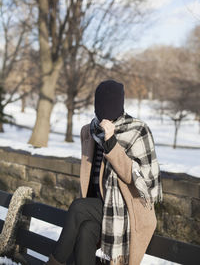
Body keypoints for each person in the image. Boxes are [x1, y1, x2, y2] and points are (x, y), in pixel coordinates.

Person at [46, 80, 163, 265]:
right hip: (98, 205)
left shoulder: (137, 131)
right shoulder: (90, 131)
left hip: (125, 208)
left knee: (78, 207)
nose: (104, 116)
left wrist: (111, 144)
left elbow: (138, 180)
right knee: (85, 231)